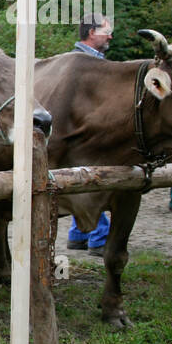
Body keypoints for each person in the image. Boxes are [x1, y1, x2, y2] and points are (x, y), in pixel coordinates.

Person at [66, 13, 112, 256]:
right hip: (83, 133)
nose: (110, 36)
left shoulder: (87, 61)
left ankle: (79, 235)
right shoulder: (81, 63)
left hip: (81, 132)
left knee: (81, 182)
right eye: (106, 31)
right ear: (92, 33)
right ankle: (99, 236)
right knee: (93, 183)